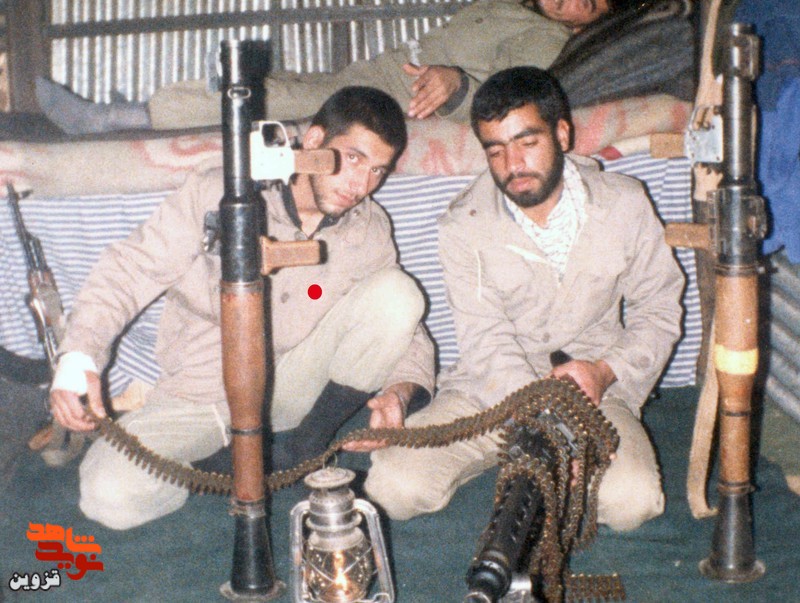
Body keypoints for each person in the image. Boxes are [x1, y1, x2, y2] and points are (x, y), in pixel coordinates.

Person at [49, 86, 435, 530]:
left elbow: (406, 325)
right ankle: (216, 466)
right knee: (108, 496)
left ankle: (304, 446)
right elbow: (130, 269)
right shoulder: (222, 192)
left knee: (398, 294)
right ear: (314, 141)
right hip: (203, 390)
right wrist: (79, 356)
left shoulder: (368, 228)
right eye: (352, 158)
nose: (361, 185)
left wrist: (399, 392)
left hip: (293, 387)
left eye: (377, 170)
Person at [364, 66, 684, 531]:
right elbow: (484, 339)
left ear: (562, 134)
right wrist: (543, 423)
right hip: (491, 390)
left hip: (593, 386)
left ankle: (544, 460)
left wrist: (604, 371)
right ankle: (523, 454)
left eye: (527, 142)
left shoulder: (625, 203)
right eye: (496, 150)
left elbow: (659, 311)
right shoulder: (462, 225)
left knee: (630, 501)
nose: (513, 164)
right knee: (393, 486)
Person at [35, 0, 621, 135]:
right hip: (385, 71)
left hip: (407, 95)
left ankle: (110, 119)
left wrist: (458, 86)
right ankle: (141, 108)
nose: (572, 1)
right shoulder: (510, 7)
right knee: (275, 84)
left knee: (270, 99)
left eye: (589, 5)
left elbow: (509, 99)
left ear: (586, 26)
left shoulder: (546, 39)